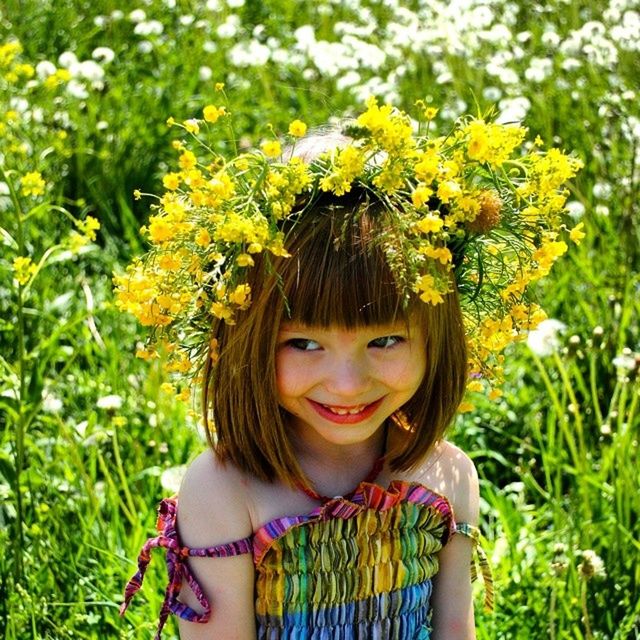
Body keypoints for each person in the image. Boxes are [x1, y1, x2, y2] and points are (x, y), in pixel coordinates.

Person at [117, 97, 581, 639]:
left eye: (385, 339)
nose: (347, 383)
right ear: (245, 341)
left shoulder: (448, 476)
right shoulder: (225, 491)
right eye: (304, 345)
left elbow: (456, 629)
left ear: (438, 336)